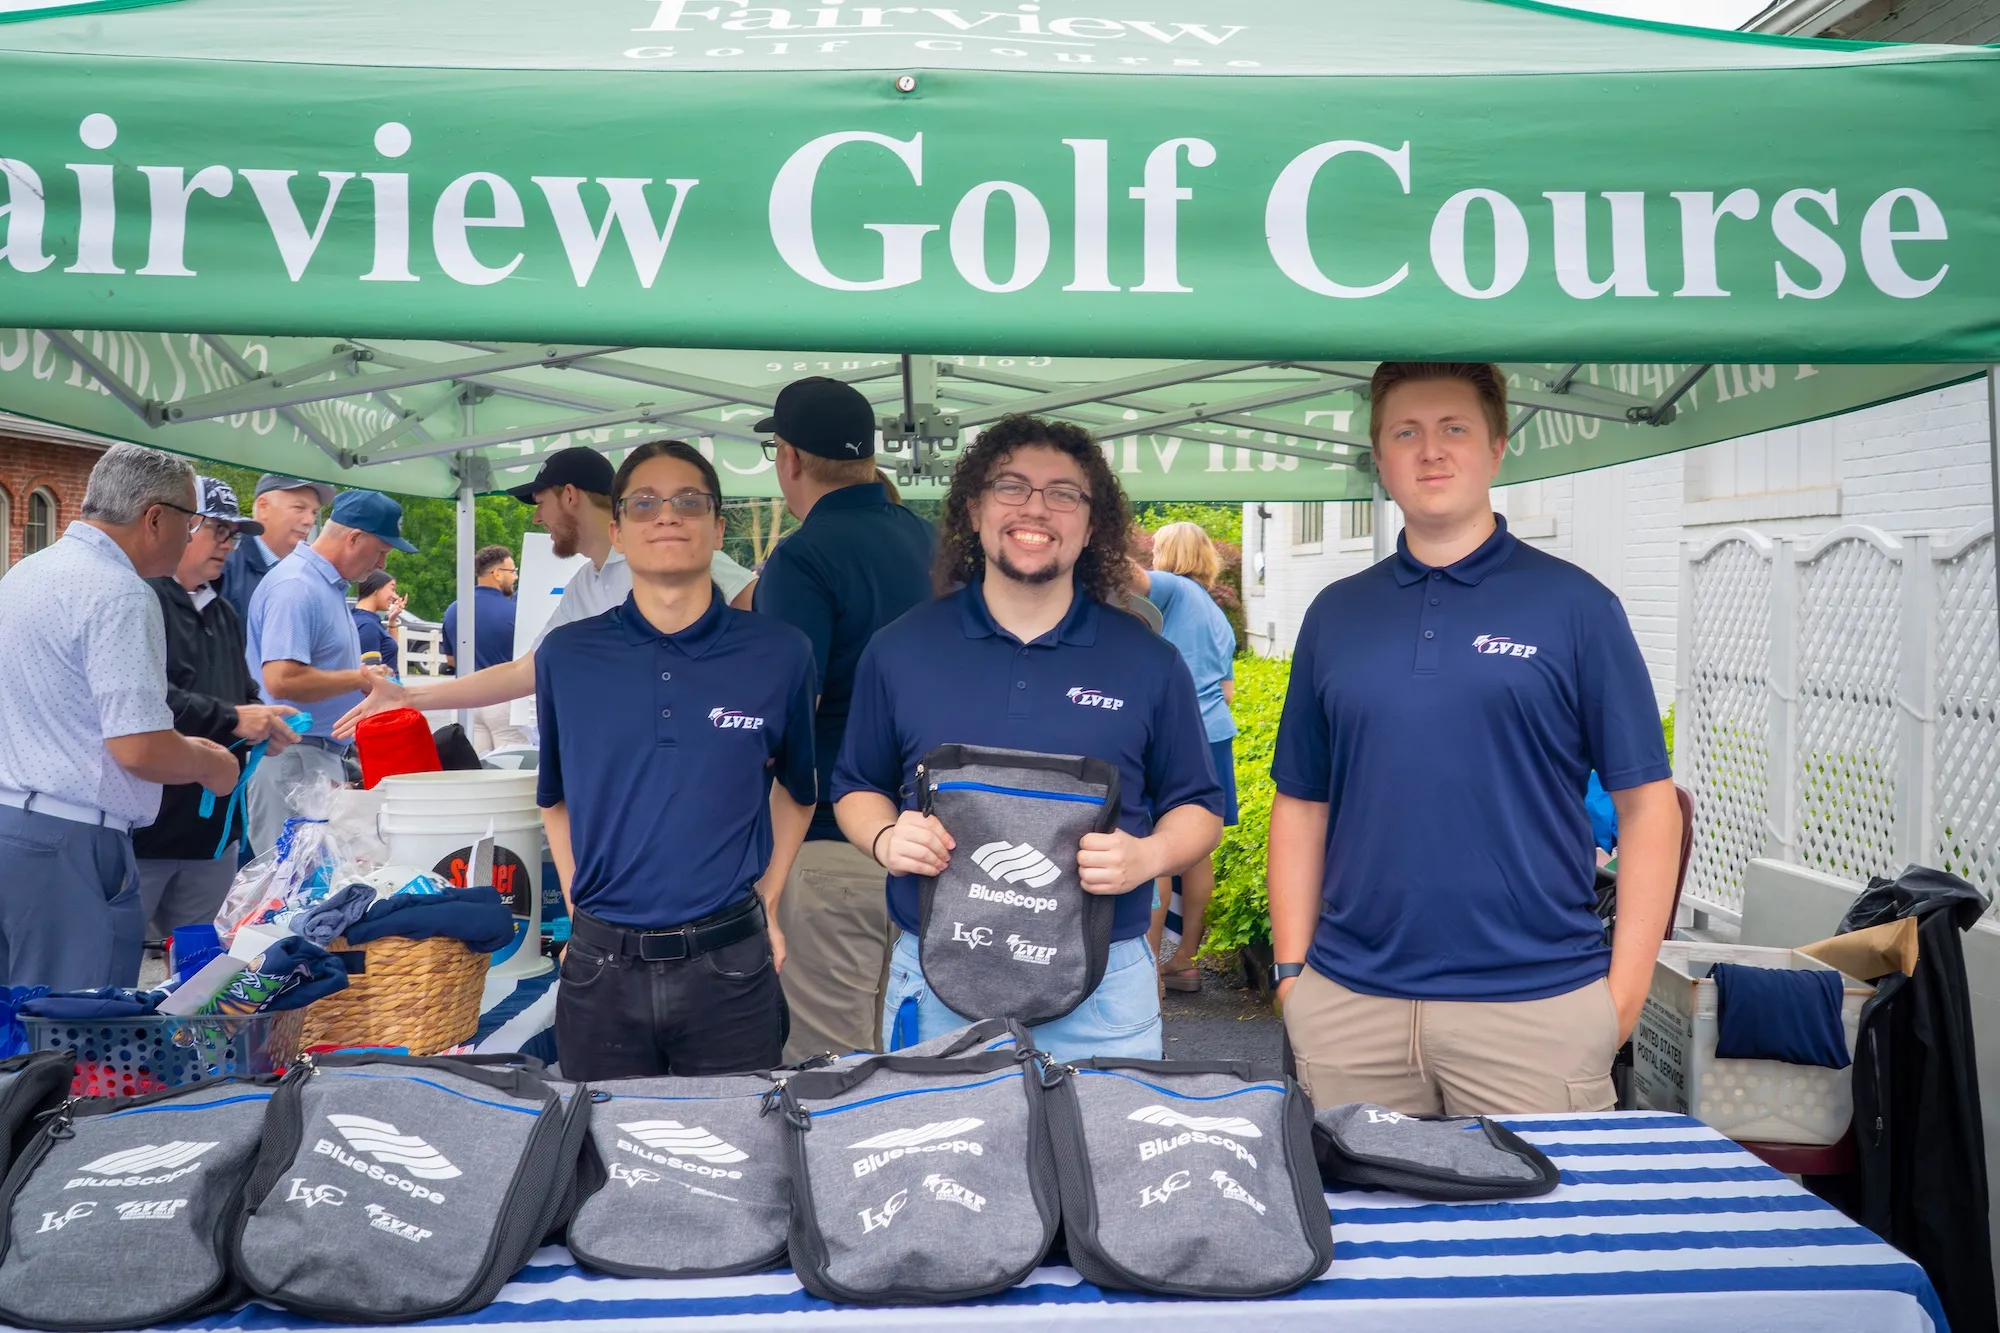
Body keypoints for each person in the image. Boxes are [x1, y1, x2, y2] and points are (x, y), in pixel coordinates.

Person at [1267, 362, 1682, 1116]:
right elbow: (1301, 804)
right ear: (1380, 456)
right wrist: (1293, 974)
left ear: (1496, 448)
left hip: (1535, 1010)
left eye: (1454, 428)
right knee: (1357, 1236)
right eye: (1407, 432)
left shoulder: (1577, 607)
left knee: (1544, 1236)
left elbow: (1651, 807)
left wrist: (1623, 996)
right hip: (1350, 1010)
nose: (1431, 451)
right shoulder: (1335, 615)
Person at [832, 414, 1226, 1063]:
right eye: (1011, 487)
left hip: (1103, 998)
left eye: (1063, 492)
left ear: (1093, 522)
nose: (1035, 507)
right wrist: (884, 836)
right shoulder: (900, 650)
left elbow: (1200, 808)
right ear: (973, 509)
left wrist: (1148, 856)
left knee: (1100, 1168)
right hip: (936, 994)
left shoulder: (1147, 661)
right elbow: (856, 786)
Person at [536, 440, 818, 1079]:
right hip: (600, 970)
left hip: (730, 966)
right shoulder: (567, 656)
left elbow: (798, 792)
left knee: (737, 1161)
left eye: (689, 501)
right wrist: (582, 908)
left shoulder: (780, 653)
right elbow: (554, 796)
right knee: (598, 1163)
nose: (668, 515)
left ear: (718, 527)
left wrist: (768, 903)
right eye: (645, 503)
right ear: (617, 531)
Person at [0, 444, 240, 989]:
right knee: (71, 1037)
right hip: (73, 842)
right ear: (156, 518)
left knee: (17, 1031)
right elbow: (138, 748)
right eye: (192, 519)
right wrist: (208, 763)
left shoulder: (26, 572)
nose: (192, 533)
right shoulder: (122, 594)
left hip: (14, 822)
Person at [330, 447, 757, 741]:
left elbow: (765, 621)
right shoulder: (586, 585)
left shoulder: (675, 553)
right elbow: (526, 671)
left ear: (569, 495)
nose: (537, 517)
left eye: (540, 501)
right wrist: (408, 696)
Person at [752, 376, 934, 1062]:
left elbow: (785, 717)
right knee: (924, 1059)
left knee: (832, 1075)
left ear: (788, 457)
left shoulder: (804, 556)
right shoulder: (936, 542)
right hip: (936, 844)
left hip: (831, 844)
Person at [135, 477, 301, 943]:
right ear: (181, 527)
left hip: (212, 834)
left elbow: (242, 690)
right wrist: (234, 718)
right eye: (218, 531)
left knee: (198, 971)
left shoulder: (224, 611)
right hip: (146, 829)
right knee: (117, 974)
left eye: (234, 535)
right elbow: (148, 701)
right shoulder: (140, 600)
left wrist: (265, 724)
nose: (228, 545)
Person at [243, 490, 413, 854]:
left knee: (313, 886)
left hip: (312, 756)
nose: (382, 562)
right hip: (294, 756)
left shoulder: (323, 586)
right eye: (382, 550)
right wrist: (361, 678)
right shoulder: (297, 586)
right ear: (354, 537)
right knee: (290, 889)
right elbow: (281, 679)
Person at [1132, 522, 1239, 992]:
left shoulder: (1172, 589)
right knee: (1197, 848)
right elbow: (1229, 690)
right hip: (1216, 734)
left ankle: (1148, 969)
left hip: (1175, 737)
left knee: (1154, 846)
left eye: (1156, 548)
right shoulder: (1215, 612)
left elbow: (1126, 578)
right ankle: (1186, 961)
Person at [442, 545, 530, 752]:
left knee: (475, 767)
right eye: (513, 571)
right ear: (497, 573)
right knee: (513, 767)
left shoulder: (454, 609)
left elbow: (451, 659)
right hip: (503, 699)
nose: (515, 578)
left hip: (464, 697)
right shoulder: (514, 612)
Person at [218, 475, 333, 623]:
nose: (309, 521)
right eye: (299, 508)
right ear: (263, 506)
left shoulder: (313, 577)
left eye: (314, 512)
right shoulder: (222, 570)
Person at [350, 570, 403, 675]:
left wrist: (392, 622)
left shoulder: (361, 618)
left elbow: (388, 652)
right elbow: (371, 674)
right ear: (375, 589)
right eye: (392, 589)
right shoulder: (368, 626)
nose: (395, 596)